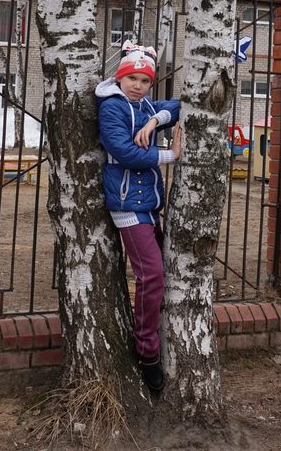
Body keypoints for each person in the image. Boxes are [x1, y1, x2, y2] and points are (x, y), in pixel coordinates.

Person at [96, 40, 180, 392]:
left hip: (149, 206)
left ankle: (152, 338)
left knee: (159, 275)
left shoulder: (144, 105)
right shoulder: (112, 107)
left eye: (144, 81)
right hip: (128, 206)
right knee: (152, 275)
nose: (137, 85)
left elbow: (178, 106)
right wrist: (170, 155)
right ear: (120, 78)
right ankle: (147, 351)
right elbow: (124, 152)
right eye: (132, 78)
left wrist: (155, 120)